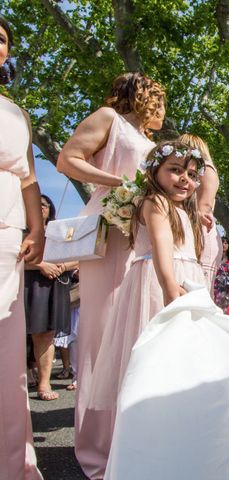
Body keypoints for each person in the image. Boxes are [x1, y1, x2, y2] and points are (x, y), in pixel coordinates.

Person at [56, 71, 165, 479]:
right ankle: (96, 448)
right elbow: (68, 159)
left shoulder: (154, 144)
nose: (162, 110)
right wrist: (121, 183)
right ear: (144, 95)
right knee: (101, 335)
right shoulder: (107, 119)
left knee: (137, 333)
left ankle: (132, 437)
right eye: (160, 100)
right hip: (108, 232)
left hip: (142, 236)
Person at [87, 141, 207, 422]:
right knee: (157, 355)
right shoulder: (156, 202)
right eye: (175, 170)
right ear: (155, 171)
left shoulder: (184, 211)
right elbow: (161, 245)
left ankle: (175, 421)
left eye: (191, 175)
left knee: (182, 359)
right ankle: (149, 423)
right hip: (158, 283)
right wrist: (169, 287)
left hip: (187, 280)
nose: (184, 179)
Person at [0, 15, 44, 479]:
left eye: (2, 38)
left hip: (7, 237)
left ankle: (11, 462)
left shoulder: (16, 113)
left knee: (6, 356)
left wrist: (37, 231)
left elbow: (29, 179)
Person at [24, 194, 77, 401]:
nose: (40, 208)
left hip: (51, 286)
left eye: (44, 205)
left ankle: (43, 383)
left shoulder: (60, 232)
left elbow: (78, 256)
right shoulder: (20, 232)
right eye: (35, 204)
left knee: (45, 335)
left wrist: (62, 266)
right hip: (25, 282)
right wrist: (40, 265)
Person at [177, 133, 222, 296]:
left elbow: (204, 208)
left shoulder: (207, 169)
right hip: (187, 230)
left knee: (197, 290)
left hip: (201, 232)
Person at [213, 237, 229, 314]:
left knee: (228, 308)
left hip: (228, 288)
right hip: (216, 287)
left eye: (226, 243)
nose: (224, 245)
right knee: (216, 308)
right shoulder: (215, 257)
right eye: (222, 242)